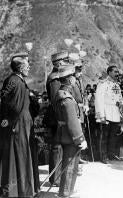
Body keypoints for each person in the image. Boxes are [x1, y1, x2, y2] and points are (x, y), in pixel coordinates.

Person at [0, 52, 35, 197]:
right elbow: (4, 99)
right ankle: (13, 192)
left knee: (22, 156)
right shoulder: (13, 80)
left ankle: (24, 191)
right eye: (27, 66)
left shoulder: (20, 80)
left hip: (22, 124)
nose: (29, 68)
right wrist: (6, 118)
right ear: (20, 68)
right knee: (16, 157)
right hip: (16, 125)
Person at [53, 62, 87, 197]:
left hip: (64, 133)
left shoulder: (60, 93)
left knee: (68, 164)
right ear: (68, 79)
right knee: (70, 165)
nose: (75, 78)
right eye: (73, 75)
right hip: (70, 135)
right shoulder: (66, 98)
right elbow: (72, 121)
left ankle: (66, 190)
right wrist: (80, 139)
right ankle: (66, 193)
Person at [45, 51, 69, 186]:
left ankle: (58, 175)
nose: (67, 63)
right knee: (57, 147)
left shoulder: (59, 76)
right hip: (56, 117)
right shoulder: (54, 78)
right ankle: (55, 178)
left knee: (60, 146)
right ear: (59, 63)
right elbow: (56, 100)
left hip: (60, 116)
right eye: (65, 61)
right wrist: (61, 118)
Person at [95, 65, 123, 162]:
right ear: (109, 72)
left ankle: (112, 154)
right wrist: (101, 116)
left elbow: (120, 98)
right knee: (104, 136)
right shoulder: (103, 84)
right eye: (115, 72)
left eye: (117, 72)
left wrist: (121, 105)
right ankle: (103, 156)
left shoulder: (117, 85)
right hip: (106, 113)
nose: (117, 74)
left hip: (115, 113)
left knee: (114, 136)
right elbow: (99, 100)